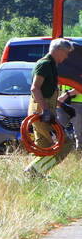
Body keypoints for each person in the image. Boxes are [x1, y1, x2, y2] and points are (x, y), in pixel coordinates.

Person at [26, 39, 76, 176]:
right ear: (58, 50)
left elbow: (47, 92)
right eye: (66, 53)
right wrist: (46, 111)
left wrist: (62, 105)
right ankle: (33, 171)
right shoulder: (45, 64)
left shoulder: (51, 65)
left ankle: (36, 176)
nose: (66, 57)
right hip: (42, 113)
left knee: (45, 147)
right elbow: (35, 89)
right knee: (64, 143)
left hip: (44, 111)